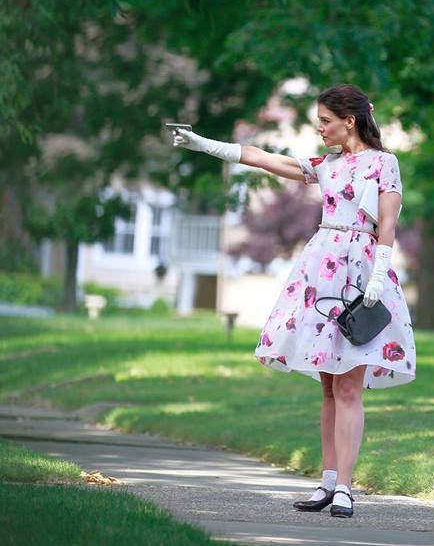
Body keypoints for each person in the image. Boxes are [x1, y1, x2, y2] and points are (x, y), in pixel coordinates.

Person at [172, 83, 416, 519]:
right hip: (321, 274)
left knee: (348, 385)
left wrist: (378, 273)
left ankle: (346, 487)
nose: (319, 129)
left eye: (325, 121)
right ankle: (326, 481)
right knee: (327, 384)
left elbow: (389, 221)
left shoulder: (384, 164)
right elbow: (265, 159)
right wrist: (203, 144)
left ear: (350, 120)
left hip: (361, 273)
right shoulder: (326, 165)